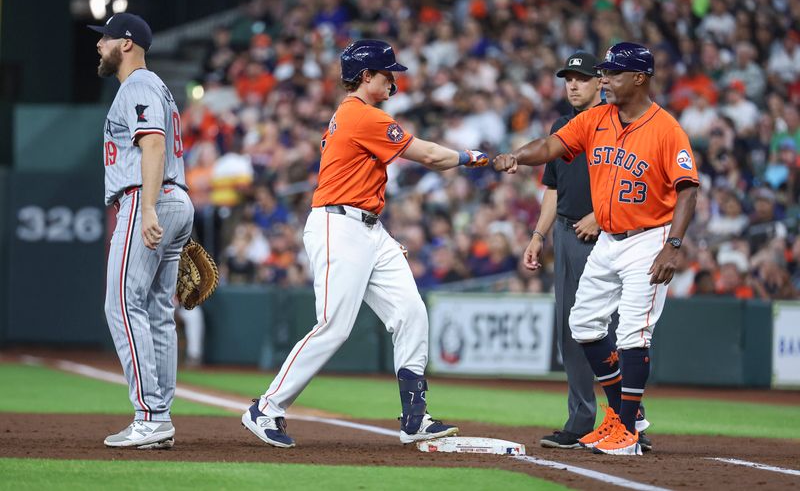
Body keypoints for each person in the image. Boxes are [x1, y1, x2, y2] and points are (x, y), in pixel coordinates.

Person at [241, 39, 488, 448]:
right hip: (339, 224)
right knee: (334, 326)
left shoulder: (357, 116)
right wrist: (470, 156)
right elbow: (428, 154)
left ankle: (415, 417)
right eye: (387, 73)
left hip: (369, 228)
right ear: (366, 76)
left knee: (411, 312)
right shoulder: (361, 115)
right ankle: (266, 408)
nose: (394, 80)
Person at [495, 42, 699, 455]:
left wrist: (673, 246)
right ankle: (624, 415)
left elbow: (688, 191)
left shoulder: (666, 128)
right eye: (603, 72)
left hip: (649, 239)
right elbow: (551, 146)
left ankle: (626, 429)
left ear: (640, 78)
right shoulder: (597, 118)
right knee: (584, 323)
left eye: (613, 73)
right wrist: (516, 155)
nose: (604, 78)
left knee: (632, 335)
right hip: (609, 239)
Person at [90, 13, 194, 449]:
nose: (100, 45)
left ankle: (150, 415)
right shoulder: (157, 88)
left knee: (122, 304)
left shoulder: (138, 85)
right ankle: (160, 417)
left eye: (107, 38)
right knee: (155, 312)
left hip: (148, 198)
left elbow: (152, 143)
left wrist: (149, 206)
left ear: (127, 44)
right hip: (172, 197)